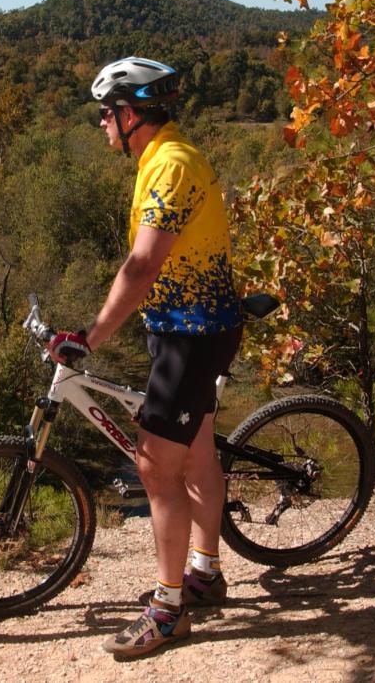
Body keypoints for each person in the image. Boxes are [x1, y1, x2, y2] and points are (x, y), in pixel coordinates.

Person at [48, 56, 245, 658]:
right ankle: (204, 573)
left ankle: (167, 610)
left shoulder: (172, 165)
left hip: (192, 335)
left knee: (156, 465)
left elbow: (142, 264)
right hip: (186, 330)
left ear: (131, 115)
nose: (102, 123)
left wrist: (90, 336)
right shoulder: (160, 158)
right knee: (198, 452)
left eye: (106, 113)